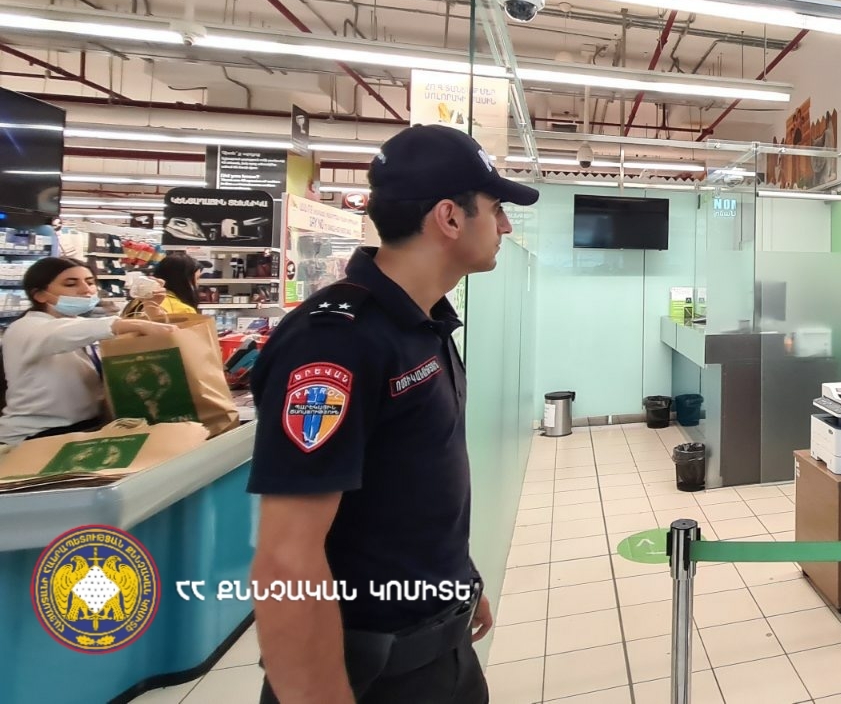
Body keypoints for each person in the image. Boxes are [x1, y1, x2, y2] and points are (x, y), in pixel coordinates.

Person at [249, 125, 539, 704]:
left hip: (440, 646)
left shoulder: (424, 323)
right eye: (496, 210)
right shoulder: (334, 342)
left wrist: (459, 581)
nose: (506, 227)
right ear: (449, 218)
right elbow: (286, 558)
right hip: (369, 671)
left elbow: (411, 486)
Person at [0, 257, 174, 446]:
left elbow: (131, 340)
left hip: (84, 430)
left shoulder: (81, 325)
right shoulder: (25, 328)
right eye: (71, 284)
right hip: (33, 437)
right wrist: (127, 324)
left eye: (90, 282)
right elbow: (65, 333)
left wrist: (151, 306)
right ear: (40, 295)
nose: (86, 290)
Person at [121, 251, 204, 319]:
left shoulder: (137, 302)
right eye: (197, 279)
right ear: (183, 280)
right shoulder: (184, 310)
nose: (198, 284)